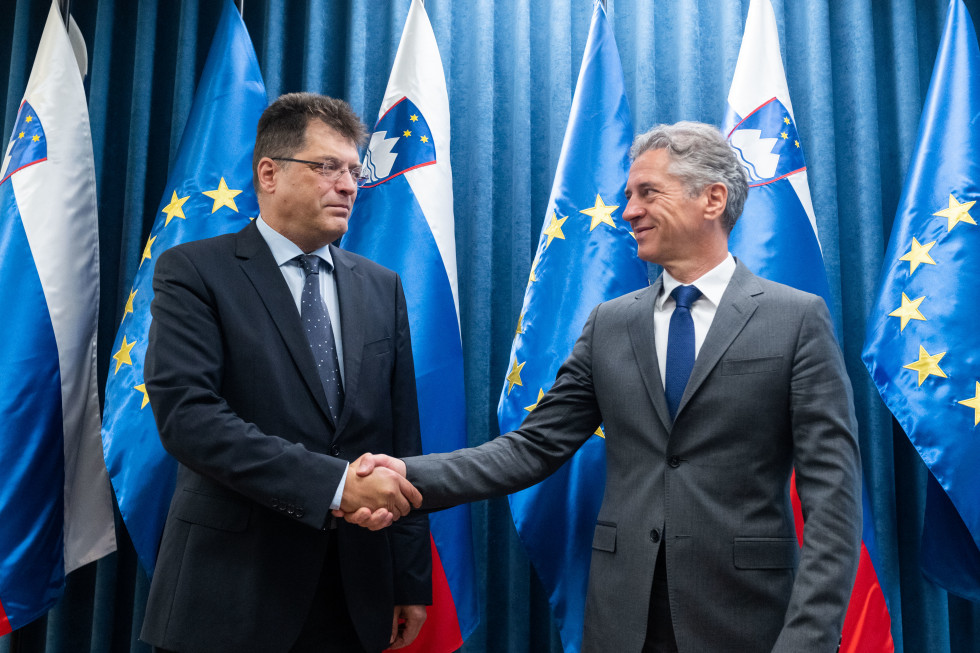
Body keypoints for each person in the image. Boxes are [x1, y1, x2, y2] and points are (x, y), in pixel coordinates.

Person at [342, 122, 863, 652]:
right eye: (627, 196)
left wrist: (809, 639)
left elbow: (832, 499)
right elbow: (530, 448)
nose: (629, 211)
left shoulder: (795, 320)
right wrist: (407, 474)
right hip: (622, 622)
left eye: (647, 193)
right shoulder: (609, 324)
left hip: (749, 620)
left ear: (713, 198)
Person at [140, 92, 431, 653]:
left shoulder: (381, 286)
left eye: (353, 170)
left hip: (355, 594)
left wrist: (408, 575)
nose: (348, 185)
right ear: (269, 173)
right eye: (327, 167)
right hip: (229, 595)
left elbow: (402, 439)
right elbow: (189, 419)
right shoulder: (194, 272)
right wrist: (337, 485)